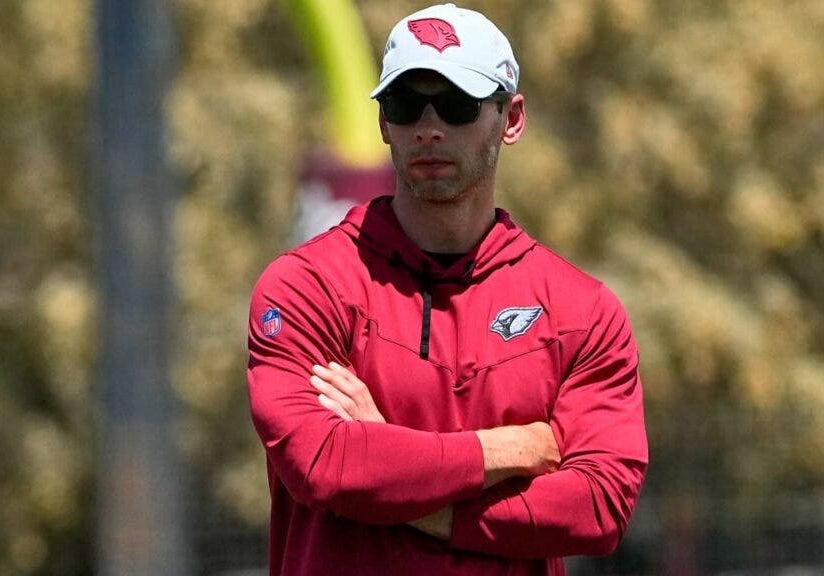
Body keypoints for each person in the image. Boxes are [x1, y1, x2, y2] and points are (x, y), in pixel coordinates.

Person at [247, 4, 648, 575]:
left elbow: (597, 508)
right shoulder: (305, 288)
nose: (429, 128)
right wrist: (503, 451)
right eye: (407, 105)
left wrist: (396, 476)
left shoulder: (581, 312)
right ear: (385, 123)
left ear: (511, 119)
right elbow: (323, 463)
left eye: (458, 105)